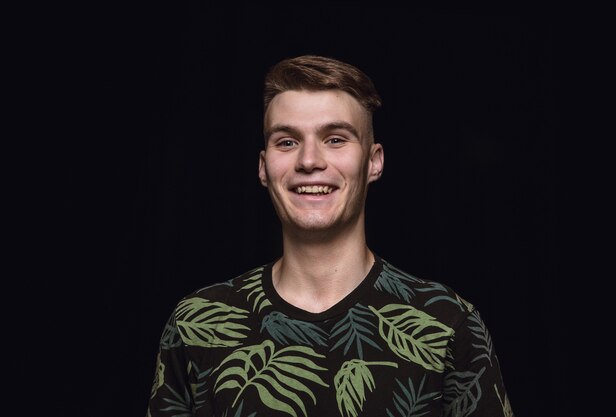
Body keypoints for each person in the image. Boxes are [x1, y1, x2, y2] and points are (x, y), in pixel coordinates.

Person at [146, 55, 514, 417]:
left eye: (335, 139)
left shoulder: (449, 323)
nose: (309, 160)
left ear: (373, 161)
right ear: (263, 167)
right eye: (287, 141)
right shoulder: (198, 323)